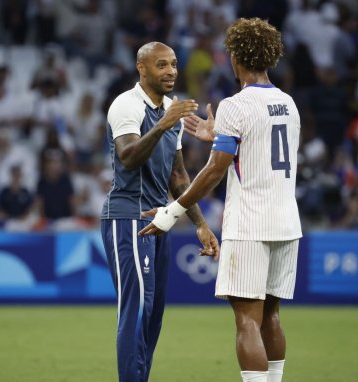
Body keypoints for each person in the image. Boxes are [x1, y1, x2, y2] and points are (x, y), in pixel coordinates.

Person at [139, 18, 301, 382]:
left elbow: (215, 170)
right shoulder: (288, 104)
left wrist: (172, 211)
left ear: (235, 56)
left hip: (250, 223)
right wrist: (219, 136)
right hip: (287, 221)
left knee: (247, 319)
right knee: (271, 315)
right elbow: (258, 151)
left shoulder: (235, 105)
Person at [100, 41, 219, 382]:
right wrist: (163, 125)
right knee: (135, 312)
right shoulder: (126, 104)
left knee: (152, 316)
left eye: (174, 64)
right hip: (128, 218)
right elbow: (128, 156)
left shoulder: (171, 110)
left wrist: (199, 223)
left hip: (158, 221)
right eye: (162, 65)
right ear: (142, 69)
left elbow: (178, 176)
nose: (171, 72)